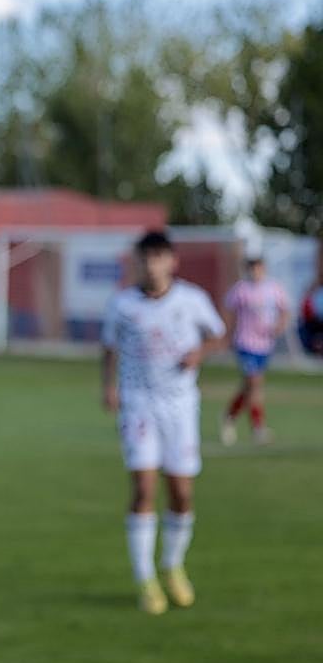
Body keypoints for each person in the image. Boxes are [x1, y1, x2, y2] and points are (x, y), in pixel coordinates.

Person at [101, 231, 226, 615]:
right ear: (137, 261)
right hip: (139, 405)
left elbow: (218, 336)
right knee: (143, 489)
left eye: (159, 257)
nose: (152, 264)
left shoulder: (191, 300)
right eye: (145, 257)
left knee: (182, 493)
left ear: (172, 261)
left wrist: (199, 353)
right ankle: (145, 579)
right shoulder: (122, 304)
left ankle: (172, 565)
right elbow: (110, 347)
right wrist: (109, 386)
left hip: (181, 407)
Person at [220, 256, 289, 446]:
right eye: (251, 268)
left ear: (263, 268)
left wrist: (279, 326)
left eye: (258, 268)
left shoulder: (273, 288)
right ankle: (258, 428)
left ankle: (229, 416)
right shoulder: (241, 289)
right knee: (254, 382)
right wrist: (228, 335)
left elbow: (285, 310)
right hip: (245, 343)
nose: (255, 272)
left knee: (251, 387)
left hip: (265, 345)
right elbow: (229, 311)